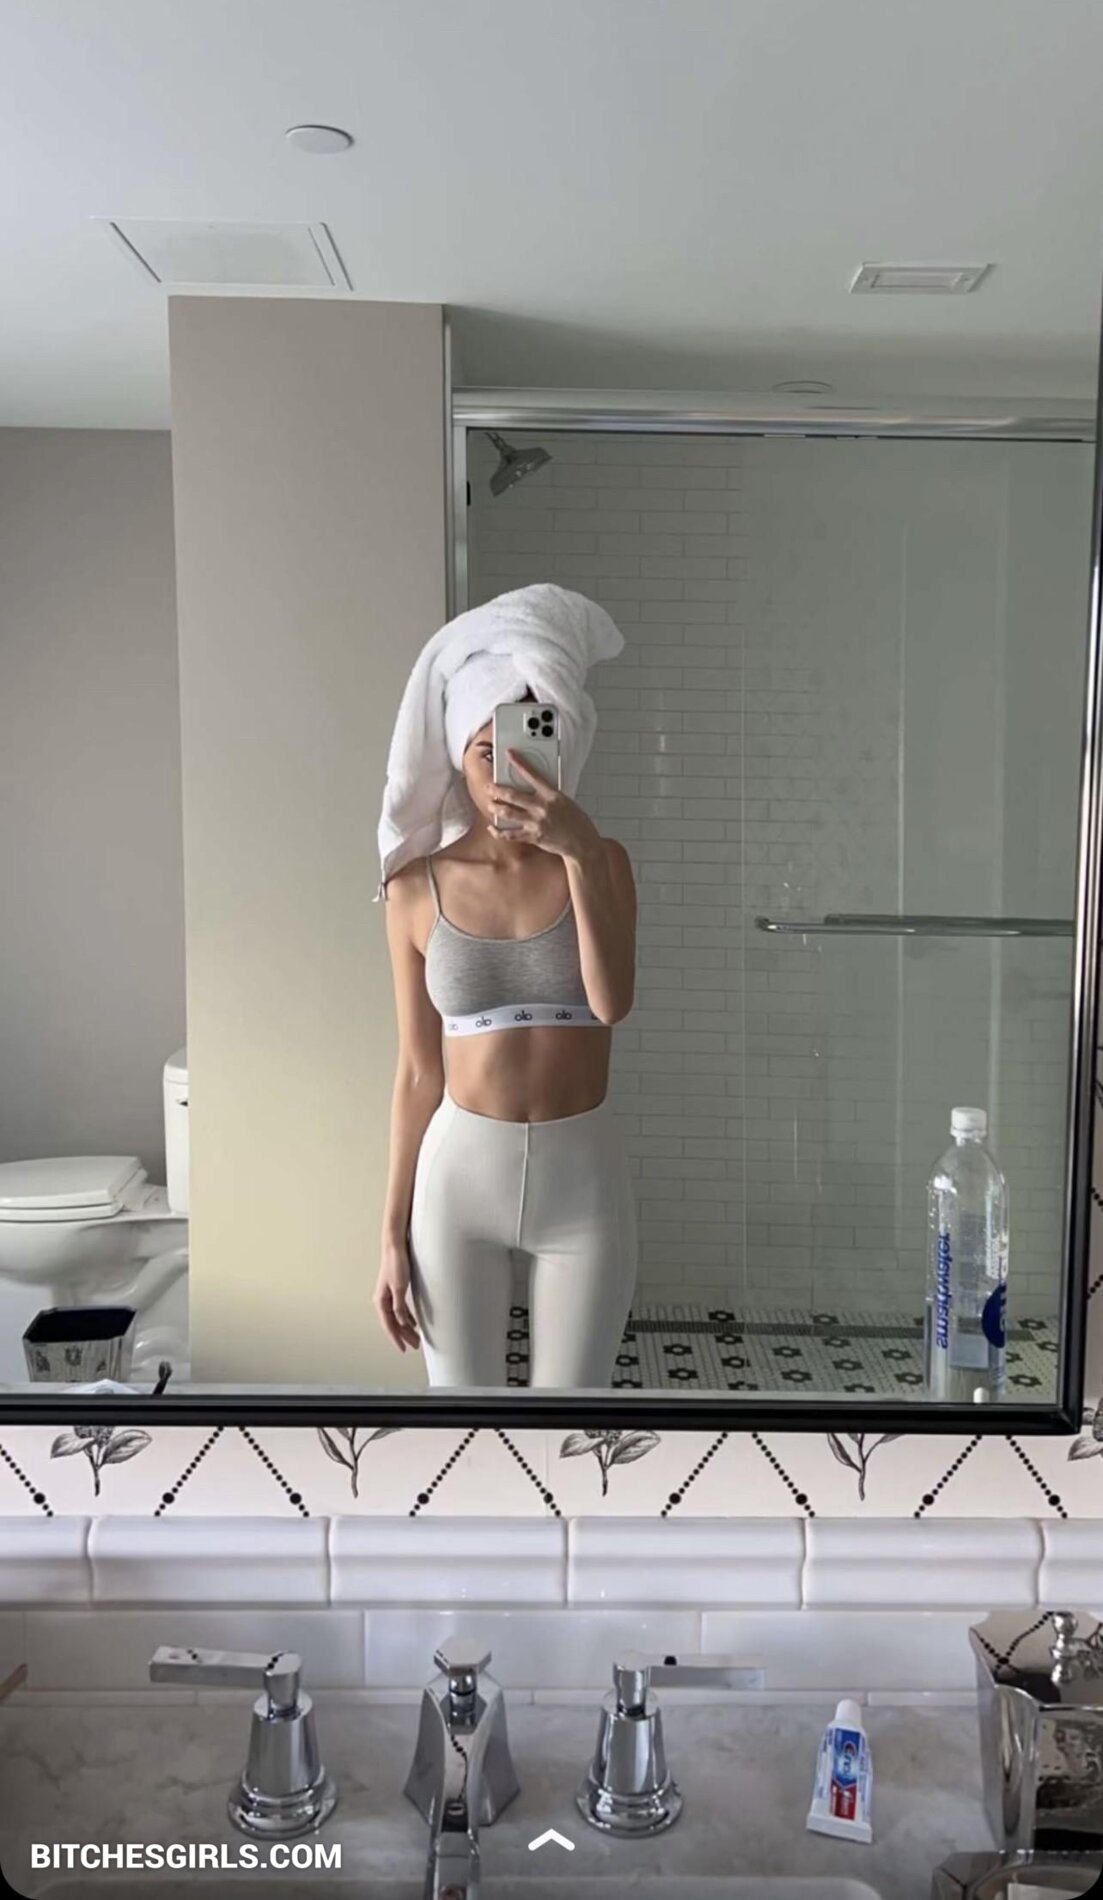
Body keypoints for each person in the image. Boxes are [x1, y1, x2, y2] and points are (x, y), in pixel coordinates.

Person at [375, 697, 637, 1388]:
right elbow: (416, 1072)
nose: (505, 772)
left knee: (572, 1424)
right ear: (456, 761)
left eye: (526, 748)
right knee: (464, 1427)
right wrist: (390, 1235)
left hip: (582, 1180)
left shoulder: (604, 861)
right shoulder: (413, 887)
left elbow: (611, 1005)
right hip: (459, 1180)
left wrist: (578, 850)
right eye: (485, 752)